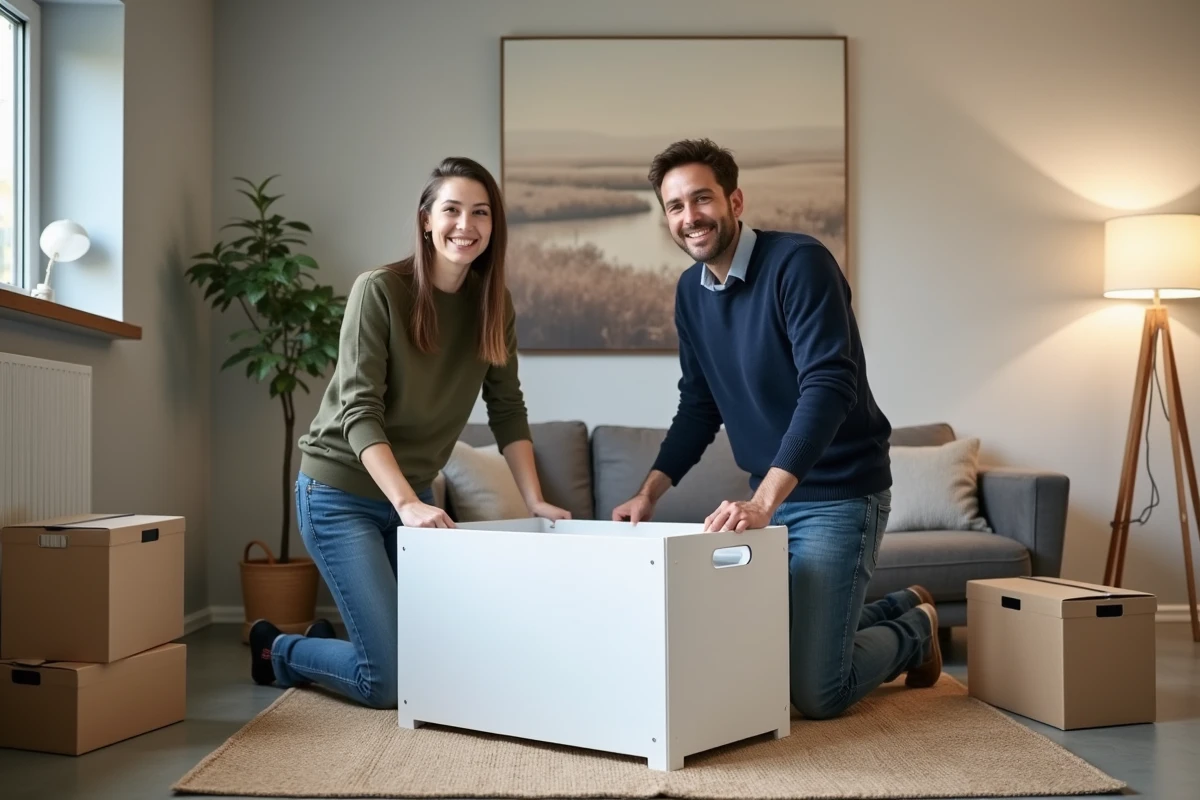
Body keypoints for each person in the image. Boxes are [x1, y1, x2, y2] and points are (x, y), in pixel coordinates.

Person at [611, 139, 941, 720]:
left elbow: (829, 386)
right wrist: (649, 493)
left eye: (702, 199)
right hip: (772, 500)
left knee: (817, 692)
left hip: (840, 495)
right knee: (761, 652)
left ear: (735, 200)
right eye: (675, 206)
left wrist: (762, 502)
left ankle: (916, 628)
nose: (690, 218)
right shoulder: (691, 292)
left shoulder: (799, 263)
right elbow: (699, 403)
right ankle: (899, 605)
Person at [248, 156, 571, 708]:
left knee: (442, 660)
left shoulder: (493, 306)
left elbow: (507, 407)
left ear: (494, 227)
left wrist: (534, 499)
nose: (465, 225)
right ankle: (276, 650)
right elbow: (359, 411)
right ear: (426, 219)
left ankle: (327, 646)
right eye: (451, 210)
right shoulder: (380, 290)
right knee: (390, 683)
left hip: (415, 497)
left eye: (480, 213)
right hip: (340, 497)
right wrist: (406, 504)